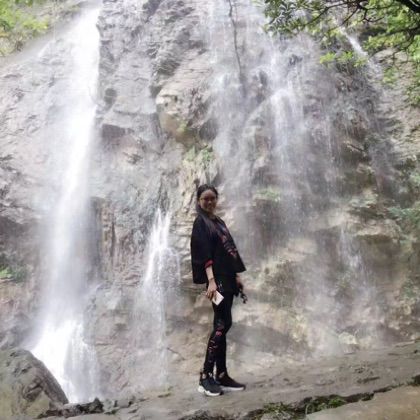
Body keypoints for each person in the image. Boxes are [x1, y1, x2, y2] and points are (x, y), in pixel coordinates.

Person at [190, 184, 247, 397]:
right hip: (216, 282)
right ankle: (205, 376)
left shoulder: (219, 222)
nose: (209, 202)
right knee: (222, 324)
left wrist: (237, 276)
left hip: (227, 279)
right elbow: (204, 253)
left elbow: (228, 250)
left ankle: (221, 375)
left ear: (216, 199)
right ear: (199, 201)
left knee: (223, 323)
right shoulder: (200, 222)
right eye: (205, 199)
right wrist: (211, 281)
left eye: (212, 198)